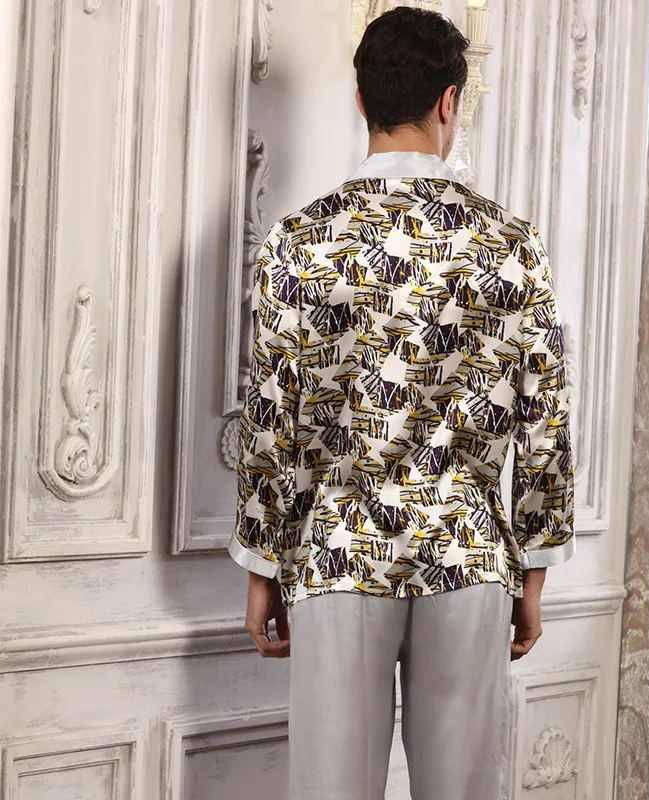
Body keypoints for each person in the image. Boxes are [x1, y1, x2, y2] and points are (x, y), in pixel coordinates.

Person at [227, 7, 575, 799]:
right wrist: (534, 571)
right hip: (467, 551)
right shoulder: (511, 245)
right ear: (450, 101)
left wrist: (262, 566)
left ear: (362, 101)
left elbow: (272, 418)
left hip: (339, 549)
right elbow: (545, 422)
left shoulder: (300, 242)